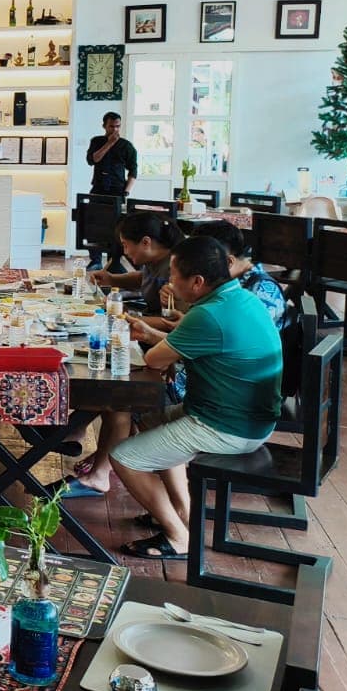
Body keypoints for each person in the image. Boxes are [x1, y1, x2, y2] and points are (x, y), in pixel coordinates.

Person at [112, 237, 283, 559]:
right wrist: (150, 334)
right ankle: (183, 512)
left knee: (123, 457)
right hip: (251, 417)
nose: (169, 280)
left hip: (228, 427)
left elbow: (154, 360)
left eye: (174, 274)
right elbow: (196, 345)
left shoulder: (208, 315)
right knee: (150, 420)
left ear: (197, 282)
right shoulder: (242, 299)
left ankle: (178, 538)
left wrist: (155, 341)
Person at [65, 210, 184, 496]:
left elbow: (175, 322)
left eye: (126, 245)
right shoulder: (157, 263)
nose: (125, 252)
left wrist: (124, 317)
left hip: (170, 364)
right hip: (153, 341)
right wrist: (111, 278)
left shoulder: (176, 269)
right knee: (102, 360)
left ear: (146, 242)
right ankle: (77, 431)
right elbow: (142, 279)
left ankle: (100, 470)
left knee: (115, 384)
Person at [86, 111, 137, 198]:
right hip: (98, 187)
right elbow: (92, 160)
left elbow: (133, 170)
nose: (115, 129)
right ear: (104, 126)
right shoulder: (96, 141)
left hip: (118, 188)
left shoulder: (126, 145)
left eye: (118, 126)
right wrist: (109, 143)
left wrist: (126, 191)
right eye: (111, 126)